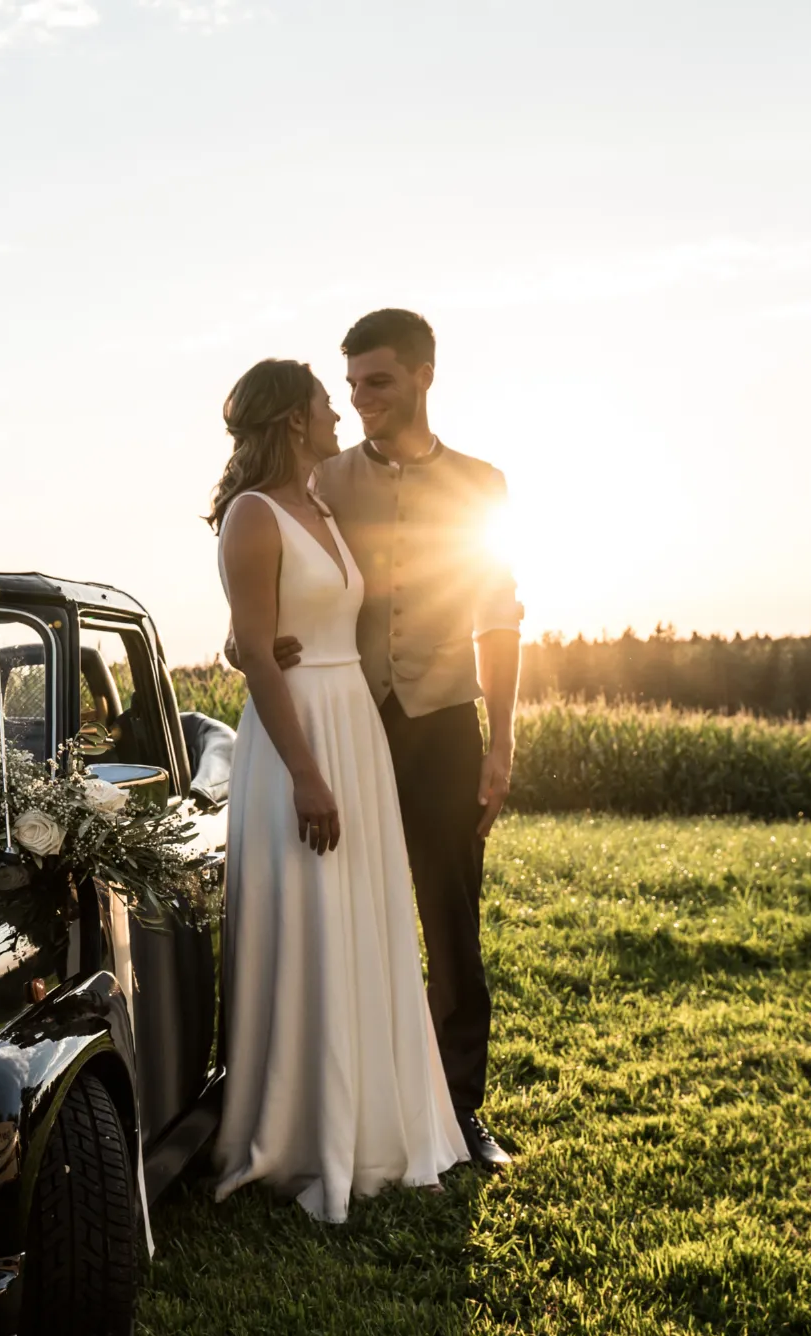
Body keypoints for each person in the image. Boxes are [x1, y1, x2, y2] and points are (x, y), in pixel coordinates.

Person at [236, 308, 523, 1172]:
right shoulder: (324, 479)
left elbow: (499, 622)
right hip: (352, 726)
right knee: (348, 914)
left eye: (379, 382)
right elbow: (267, 576)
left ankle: (458, 1111)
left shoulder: (482, 485)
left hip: (441, 725)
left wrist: (501, 743)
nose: (360, 401)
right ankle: (348, 1100)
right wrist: (243, 643)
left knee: (451, 922)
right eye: (351, 385)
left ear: (425, 376)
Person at [208, 357, 469, 1223]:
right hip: (296, 741)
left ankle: (372, 1122)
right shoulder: (252, 516)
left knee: (358, 917)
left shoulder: (318, 505)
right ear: (292, 421)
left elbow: (267, 631)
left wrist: (252, 645)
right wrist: (307, 775)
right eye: (326, 400)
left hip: (349, 716)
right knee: (309, 921)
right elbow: (252, 646)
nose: (339, 411)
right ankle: (296, 1131)